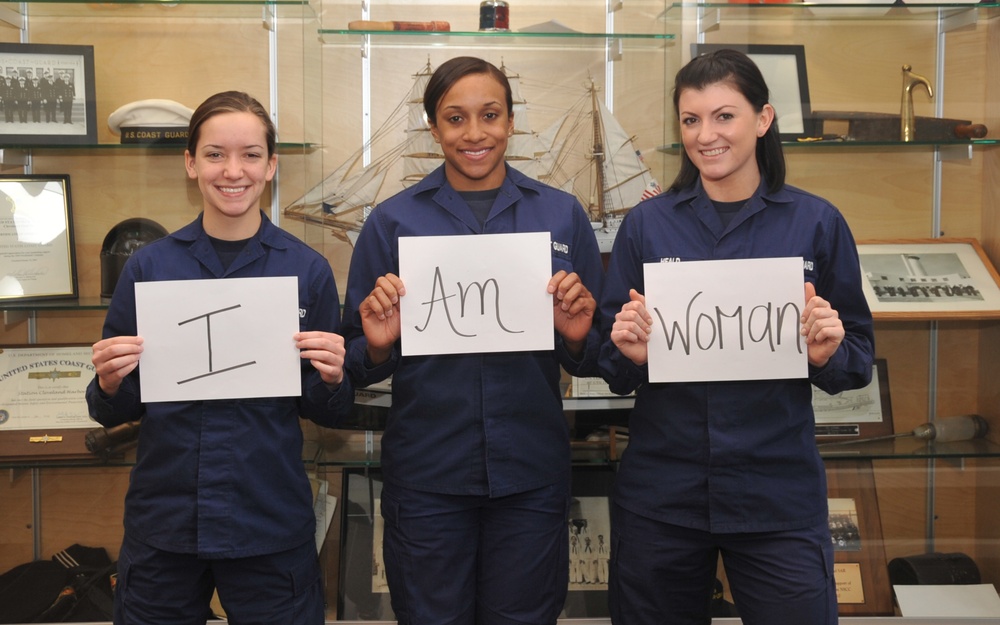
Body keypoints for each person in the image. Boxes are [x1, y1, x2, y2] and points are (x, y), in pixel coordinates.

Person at [599, 49, 875, 625]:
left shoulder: (817, 222)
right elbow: (610, 358)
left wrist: (826, 353)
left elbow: (857, 362)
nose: (706, 135)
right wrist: (627, 350)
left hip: (776, 495)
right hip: (661, 497)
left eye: (725, 116)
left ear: (763, 119)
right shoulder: (648, 225)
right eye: (691, 120)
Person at [341, 56, 604, 625]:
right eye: (455, 119)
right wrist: (380, 345)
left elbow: (599, 354)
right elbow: (354, 362)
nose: (475, 133)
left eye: (490, 115)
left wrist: (578, 338)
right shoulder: (391, 223)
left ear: (511, 121)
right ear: (434, 129)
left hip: (530, 475)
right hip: (427, 476)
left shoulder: (562, 216)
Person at [86, 90, 353, 624]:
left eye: (251, 154)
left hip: (268, 521)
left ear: (271, 165)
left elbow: (330, 411)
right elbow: (109, 410)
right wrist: (110, 381)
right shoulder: (150, 269)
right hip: (166, 522)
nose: (233, 170)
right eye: (214, 154)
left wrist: (332, 374)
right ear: (191, 163)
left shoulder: (307, 271)